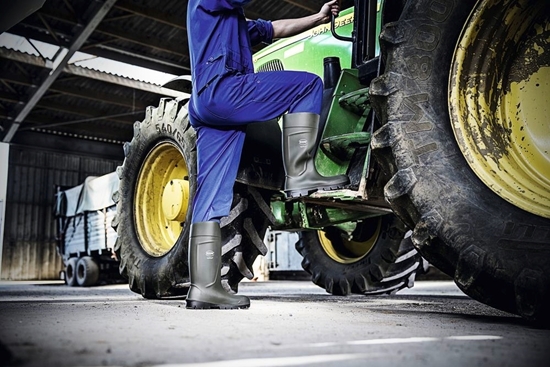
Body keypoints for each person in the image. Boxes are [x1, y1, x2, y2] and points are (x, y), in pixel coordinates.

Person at [185, 0, 349, 309]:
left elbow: (276, 28)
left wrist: (317, 17)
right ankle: (300, 172)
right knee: (306, 86)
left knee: (210, 195)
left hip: (207, 105)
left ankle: (203, 287)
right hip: (226, 90)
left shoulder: (231, 23)